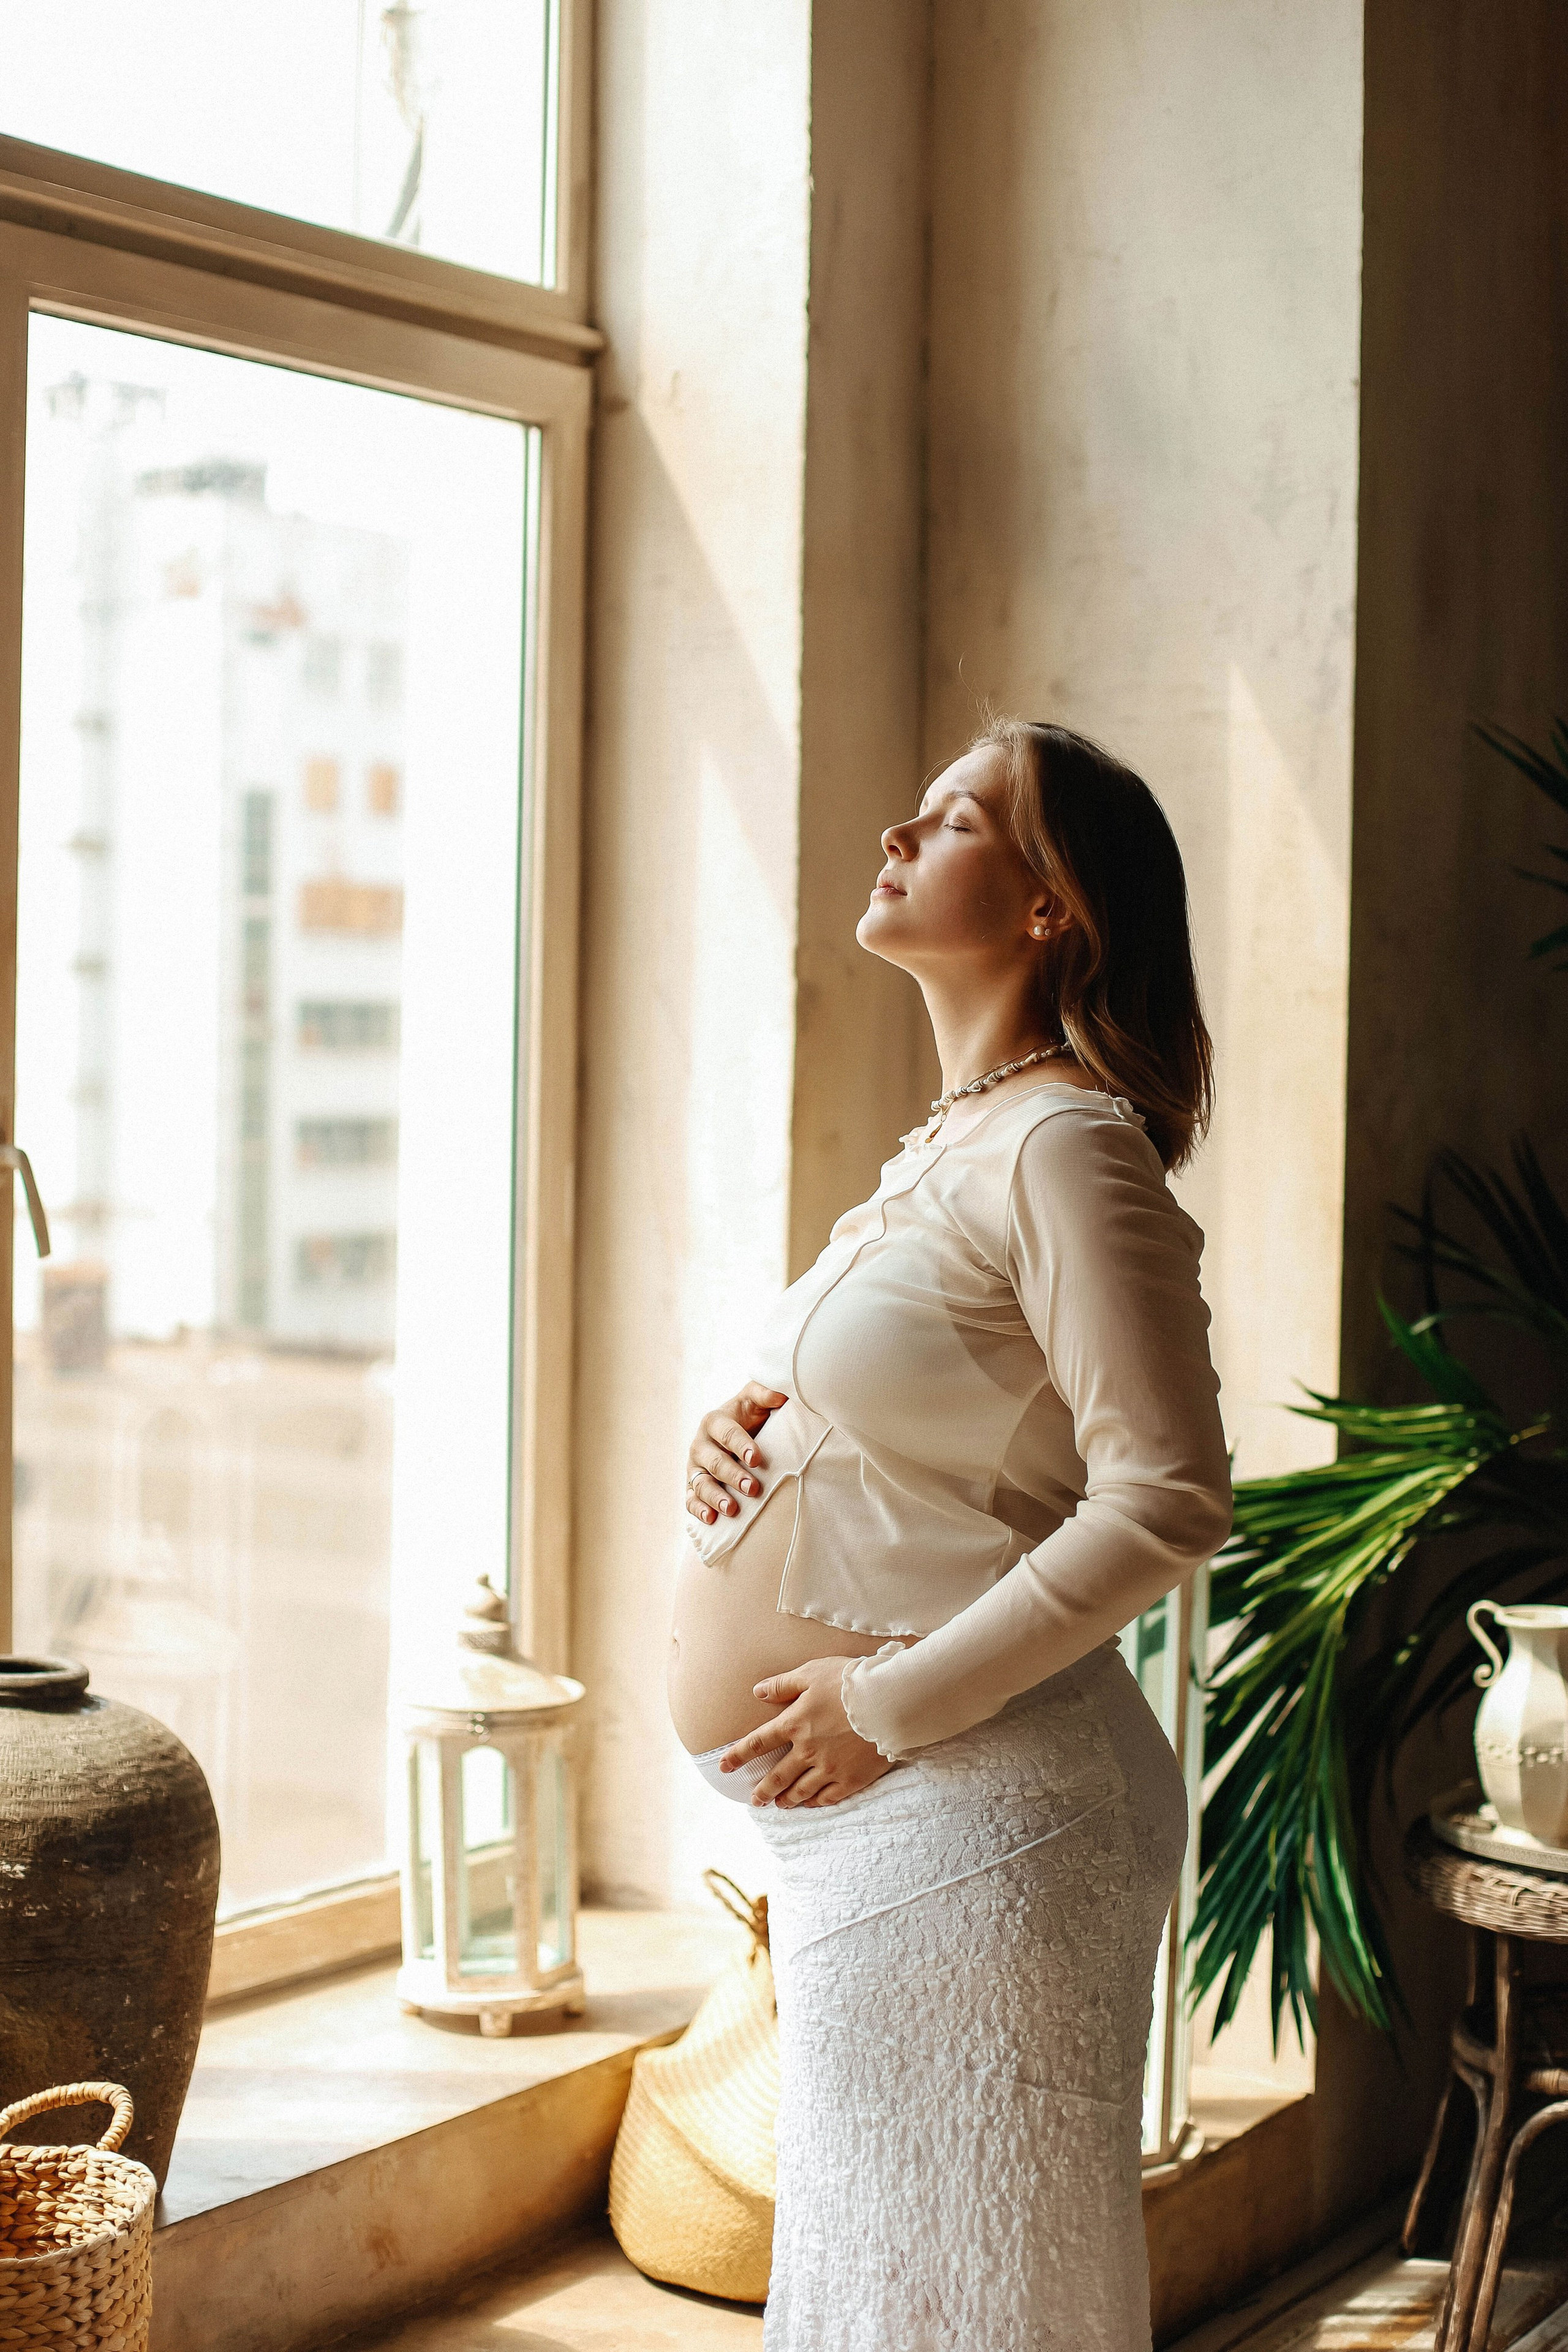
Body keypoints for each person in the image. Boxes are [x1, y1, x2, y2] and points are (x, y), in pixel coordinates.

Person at [667, 716, 1232, 2352]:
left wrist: (881, 1705)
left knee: (974, 2310)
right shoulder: (963, 1139)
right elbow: (941, 1444)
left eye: (957, 817)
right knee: (883, 2300)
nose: (899, 834)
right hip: (892, 1835)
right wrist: (739, 1436)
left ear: (1055, 903)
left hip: (981, 1818)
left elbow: (1169, 1497)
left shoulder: (1068, 1144)